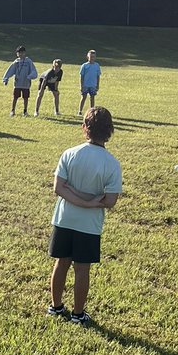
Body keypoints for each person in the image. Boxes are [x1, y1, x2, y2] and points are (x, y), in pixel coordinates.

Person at [47, 106, 122, 325]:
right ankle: (78, 315)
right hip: (88, 225)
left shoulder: (70, 154)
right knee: (82, 269)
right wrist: (90, 202)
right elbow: (110, 201)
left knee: (61, 263)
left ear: (84, 128)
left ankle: (56, 307)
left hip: (64, 219)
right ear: (110, 131)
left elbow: (59, 188)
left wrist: (76, 195)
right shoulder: (111, 164)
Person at [2, 46, 38, 116]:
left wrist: (30, 76)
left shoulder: (28, 61)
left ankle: (25, 111)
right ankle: (12, 110)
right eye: (19, 53)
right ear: (17, 54)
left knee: (26, 98)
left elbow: (34, 71)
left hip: (26, 84)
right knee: (15, 97)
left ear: (25, 53)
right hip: (17, 83)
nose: (21, 54)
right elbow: (10, 70)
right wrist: (6, 79)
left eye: (22, 53)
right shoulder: (16, 62)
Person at [78, 49, 102, 114]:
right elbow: (81, 76)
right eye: (90, 57)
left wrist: (97, 85)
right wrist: (81, 85)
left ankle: (92, 111)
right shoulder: (84, 65)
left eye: (93, 57)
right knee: (83, 97)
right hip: (85, 85)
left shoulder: (97, 65)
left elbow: (98, 76)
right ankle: (80, 111)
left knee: (92, 97)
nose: (92, 58)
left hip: (93, 85)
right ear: (87, 57)